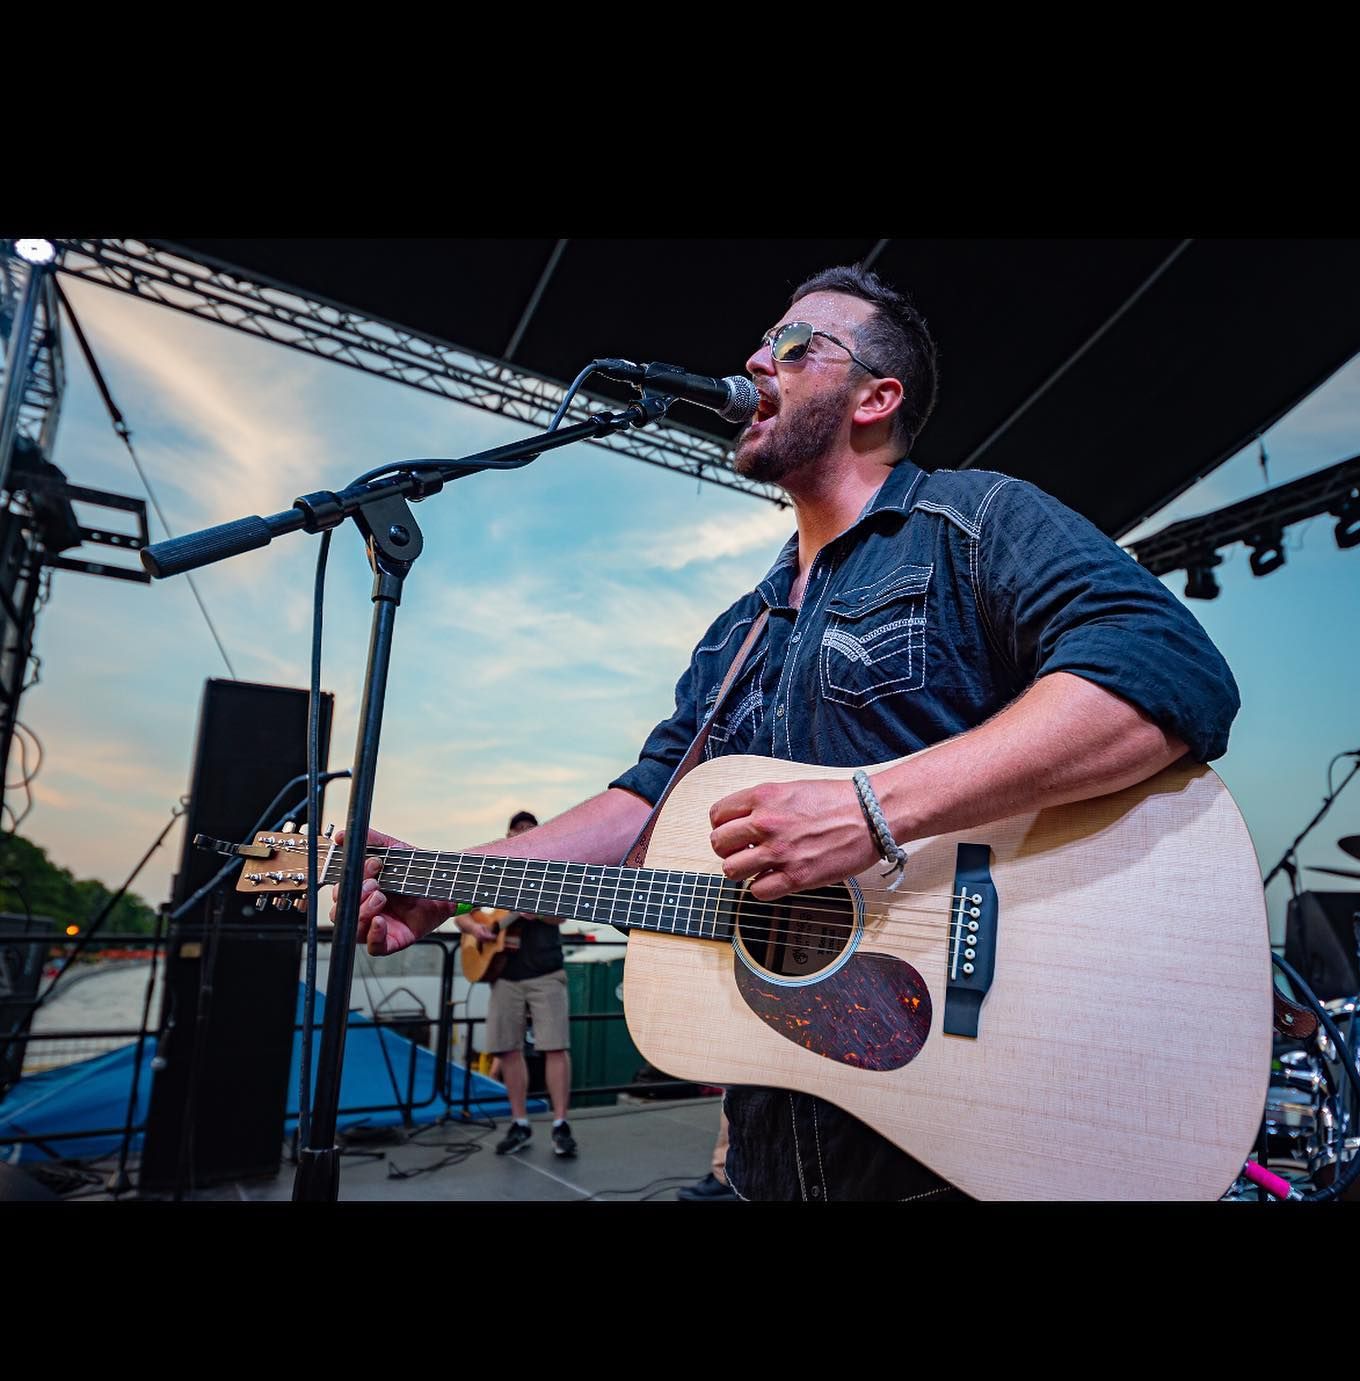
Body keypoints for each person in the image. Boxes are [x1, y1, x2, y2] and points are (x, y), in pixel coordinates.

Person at [342, 264, 1239, 1200]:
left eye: (794, 344)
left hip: (951, 1149)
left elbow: (1166, 673)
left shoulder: (974, 522)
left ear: (875, 398)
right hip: (772, 1153)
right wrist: (447, 876)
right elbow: (645, 799)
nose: (754, 359)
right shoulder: (741, 630)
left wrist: (870, 810)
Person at [454, 811, 577, 1159]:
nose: (522, 833)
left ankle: (560, 1124)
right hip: (504, 975)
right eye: (517, 829)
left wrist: (535, 911)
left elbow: (561, 915)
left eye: (529, 829)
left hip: (545, 972)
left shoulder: (552, 871)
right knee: (507, 1049)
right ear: (508, 835)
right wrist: (477, 929)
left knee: (555, 1047)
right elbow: (462, 912)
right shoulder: (493, 873)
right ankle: (519, 1122)